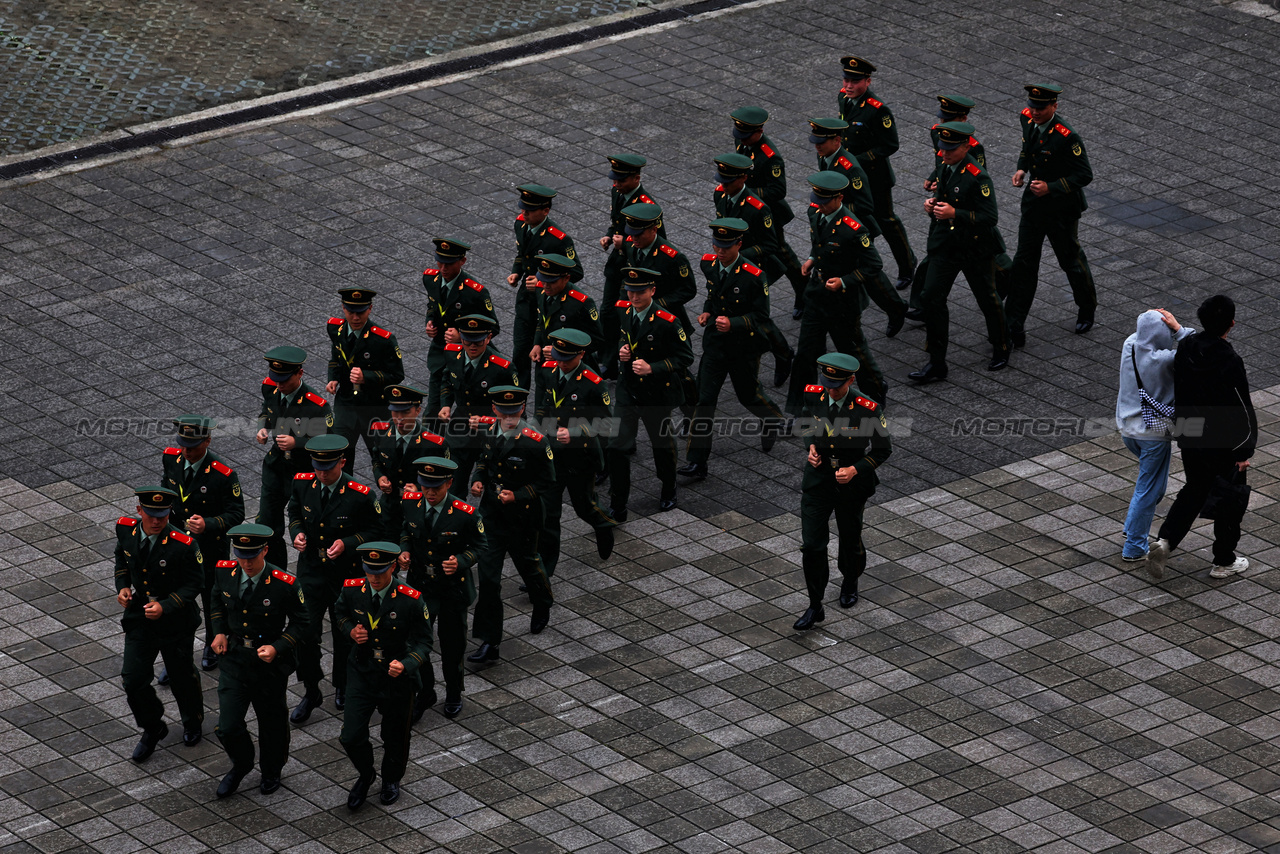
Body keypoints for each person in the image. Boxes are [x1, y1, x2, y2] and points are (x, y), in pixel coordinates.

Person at [1149, 295, 1257, 579]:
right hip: (1221, 440)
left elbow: (1193, 342)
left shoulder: (1186, 347)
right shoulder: (1230, 360)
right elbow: (1241, 407)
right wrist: (1244, 452)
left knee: (1194, 489)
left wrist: (1178, 329)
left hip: (1190, 432)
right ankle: (1223, 560)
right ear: (1231, 324)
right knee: (1229, 499)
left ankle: (1166, 541)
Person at [678, 218, 786, 481]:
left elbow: (761, 315)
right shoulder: (709, 264)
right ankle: (697, 462)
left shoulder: (753, 275)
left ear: (739, 244)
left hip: (743, 346)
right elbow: (713, 295)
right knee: (704, 402)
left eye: (726, 247)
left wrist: (735, 323)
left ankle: (772, 418)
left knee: (747, 394)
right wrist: (706, 312)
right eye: (717, 245)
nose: (720, 251)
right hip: (715, 344)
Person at [286, 435, 383, 724]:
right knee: (305, 632)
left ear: (342, 462)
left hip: (345, 572)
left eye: (328, 467)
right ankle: (312, 689)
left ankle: (342, 683)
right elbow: (294, 512)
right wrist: (297, 534)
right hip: (312, 568)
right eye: (318, 466)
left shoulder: (361, 494)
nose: (322, 473)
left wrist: (348, 543)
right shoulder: (303, 482)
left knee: (345, 634)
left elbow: (375, 531)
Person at [208, 523, 309, 798]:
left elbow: (302, 623)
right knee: (227, 725)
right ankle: (241, 764)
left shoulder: (284, 583)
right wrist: (218, 633)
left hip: (269, 665)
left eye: (252, 556)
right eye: (241, 556)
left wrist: (278, 647)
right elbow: (216, 601)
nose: (247, 563)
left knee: (272, 722)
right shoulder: (224, 572)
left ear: (265, 550)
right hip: (235, 659)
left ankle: (271, 770)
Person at [793, 355, 891, 630]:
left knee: (850, 536)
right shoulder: (815, 395)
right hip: (818, 482)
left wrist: (856, 469)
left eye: (836, 385)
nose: (829, 389)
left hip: (850, 484)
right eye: (826, 383)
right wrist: (810, 447)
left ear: (851, 380)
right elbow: (807, 422)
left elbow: (883, 450)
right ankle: (815, 605)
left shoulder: (867, 408)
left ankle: (850, 579)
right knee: (812, 545)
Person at [908, 121, 1010, 382]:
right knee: (931, 297)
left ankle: (1002, 346)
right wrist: (933, 205)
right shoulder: (945, 168)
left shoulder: (979, 177)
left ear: (966, 147)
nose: (943, 153)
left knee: (987, 297)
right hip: (947, 247)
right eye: (942, 149)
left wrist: (956, 213)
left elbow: (990, 217)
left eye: (950, 149)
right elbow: (945, 197)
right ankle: (936, 362)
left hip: (975, 248)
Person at [335, 543, 431, 809]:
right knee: (350, 735)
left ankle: (391, 779)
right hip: (362, 671)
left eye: (380, 572)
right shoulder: (353, 589)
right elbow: (340, 614)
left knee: (396, 735)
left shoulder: (410, 599)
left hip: (396, 676)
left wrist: (407, 663)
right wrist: (351, 632)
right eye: (369, 571)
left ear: (392, 567)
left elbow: (424, 642)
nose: (374, 578)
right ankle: (366, 775)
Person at [785, 171, 890, 415]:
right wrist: (812, 259)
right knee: (805, 354)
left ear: (839, 198)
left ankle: (875, 390)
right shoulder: (816, 213)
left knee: (851, 351)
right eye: (817, 199)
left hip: (843, 302)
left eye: (824, 200)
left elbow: (874, 265)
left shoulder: (853, 229)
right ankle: (798, 408)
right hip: (817, 294)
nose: (818, 205)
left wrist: (845, 281)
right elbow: (820, 244)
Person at [114, 487, 205, 761]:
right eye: (152, 515)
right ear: (139, 510)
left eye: (163, 516)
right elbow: (122, 559)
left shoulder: (184, 543)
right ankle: (153, 727)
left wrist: (165, 605)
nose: (157, 521)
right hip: (140, 615)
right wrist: (123, 586)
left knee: (181, 675)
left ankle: (192, 721)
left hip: (175, 620)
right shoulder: (126, 530)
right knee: (132, 679)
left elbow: (195, 583)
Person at [468, 386, 557, 662]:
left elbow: (547, 481)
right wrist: (477, 479)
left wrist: (517, 496)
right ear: (495, 410)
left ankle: (542, 602)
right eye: (503, 413)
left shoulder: (535, 441)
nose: (509, 418)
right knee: (489, 579)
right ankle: (489, 641)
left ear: (522, 409)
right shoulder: (487, 431)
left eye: (515, 412)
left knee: (528, 564)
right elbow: (483, 461)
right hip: (492, 515)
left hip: (523, 517)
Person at [1004, 83, 1096, 346]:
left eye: (1041, 108)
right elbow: (1027, 147)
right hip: (1034, 205)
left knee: (1070, 260)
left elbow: (1084, 175)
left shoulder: (1067, 137)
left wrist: (1051, 187)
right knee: (1024, 263)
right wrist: (1022, 169)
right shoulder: (1027, 118)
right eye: (1032, 106)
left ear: (1055, 106)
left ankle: (1086, 306)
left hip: (1062, 209)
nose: (1035, 112)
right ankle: (1014, 325)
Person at [399, 457, 485, 721]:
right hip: (421, 586)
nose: (431, 493)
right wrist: (404, 551)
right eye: (426, 487)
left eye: (436, 487)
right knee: (416, 642)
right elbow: (406, 531)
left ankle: (453, 692)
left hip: (451, 590)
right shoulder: (411, 503)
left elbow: (480, 546)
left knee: (452, 645)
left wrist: (460, 561)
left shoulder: (465, 514)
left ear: (449, 483)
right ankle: (425, 692)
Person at [606, 268, 694, 519]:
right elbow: (625, 337)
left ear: (652, 291)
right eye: (630, 291)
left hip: (656, 394)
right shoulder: (624, 309)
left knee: (662, 446)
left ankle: (668, 488)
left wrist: (652, 368)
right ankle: (618, 501)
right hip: (627, 392)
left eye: (640, 291)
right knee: (616, 447)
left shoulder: (667, 321)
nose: (634, 297)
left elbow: (685, 356)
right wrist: (623, 351)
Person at [161, 414, 244, 676]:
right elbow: (167, 489)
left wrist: (208, 524)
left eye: (193, 446)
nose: (186, 451)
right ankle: (177, 655)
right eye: (183, 445)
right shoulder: (172, 458)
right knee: (177, 602)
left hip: (209, 548)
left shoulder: (223, 474)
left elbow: (236, 514)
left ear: (207, 441)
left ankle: (213, 642)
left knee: (211, 601)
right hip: (178, 547)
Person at [534, 328, 618, 572]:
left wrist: (575, 431)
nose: (561, 363)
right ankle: (544, 572)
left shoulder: (594, 384)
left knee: (584, 506)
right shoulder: (549, 371)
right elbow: (542, 406)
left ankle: (603, 525)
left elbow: (606, 424)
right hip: (552, 456)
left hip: (580, 456)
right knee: (549, 515)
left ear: (581, 354)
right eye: (558, 356)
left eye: (567, 359)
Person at [1115, 309, 1193, 562]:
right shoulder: (1165, 359)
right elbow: (1195, 344)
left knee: (1153, 487)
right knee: (1149, 490)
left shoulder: (1130, 345)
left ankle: (1132, 529)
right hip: (1154, 435)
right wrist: (1178, 328)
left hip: (1127, 430)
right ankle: (1135, 547)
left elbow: (1145, 334)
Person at [710, 152, 795, 386]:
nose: (723, 185)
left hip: (753, 271)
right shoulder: (720, 195)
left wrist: (739, 255)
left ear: (743, 179)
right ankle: (780, 352)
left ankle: (783, 353)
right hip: (729, 265)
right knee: (746, 315)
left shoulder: (758, 208)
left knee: (757, 316)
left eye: (728, 181)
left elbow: (771, 245)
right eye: (721, 180)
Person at [837, 55, 917, 289]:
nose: (849, 86)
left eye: (855, 81)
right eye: (846, 80)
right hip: (853, 177)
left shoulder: (878, 110)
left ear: (868, 81)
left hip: (875, 176)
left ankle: (907, 265)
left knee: (887, 221)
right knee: (857, 220)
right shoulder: (843, 98)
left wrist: (856, 160)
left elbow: (890, 145)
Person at [255, 346, 333, 568]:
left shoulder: (317, 406)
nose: (279, 384)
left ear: (300, 374)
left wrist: (297, 443)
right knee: (267, 523)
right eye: (276, 379)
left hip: (304, 471)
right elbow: (265, 412)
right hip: (276, 466)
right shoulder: (270, 388)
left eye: (285, 379)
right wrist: (262, 429)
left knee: (307, 526)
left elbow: (329, 441)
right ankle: (276, 570)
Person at [730, 106, 807, 316]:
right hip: (747, 212)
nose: (742, 140)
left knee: (781, 253)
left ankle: (804, 292)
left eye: (746, 136)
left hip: (769, 214)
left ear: (759, 132)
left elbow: (778, 190)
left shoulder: (770, 156)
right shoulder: (742, 141)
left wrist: (746, 192)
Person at [507, 184, 584, 388]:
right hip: (526, 300)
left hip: (550, 304)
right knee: (521, 351)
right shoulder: (521, 224)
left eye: (530, 211)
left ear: (545, 211)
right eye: (522, 209)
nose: (524, 214)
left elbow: (576, 272)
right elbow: (522, 254)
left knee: (544, 356)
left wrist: (541, 283)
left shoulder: (558, 238)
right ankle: (518, 403)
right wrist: (517, 271)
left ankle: (545, 402)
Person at [437, 314, 519, 494]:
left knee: (495, 488)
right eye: (467, 341)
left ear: (488, 338)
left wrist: (486, 420)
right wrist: (446, 404)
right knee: (453, 482)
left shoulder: (503, 368)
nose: (472, 346)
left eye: (478, 342)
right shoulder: (452, 353)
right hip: (460, 427)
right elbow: (447, 378)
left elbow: (516, 410)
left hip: (490, 432)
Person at [326, 287, 405, 473]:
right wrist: (333, 378)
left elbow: (397, 375)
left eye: (360, 312)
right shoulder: (334, 328)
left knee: (383, 458)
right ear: (343, 308)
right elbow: (336, 357)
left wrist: (366, 377)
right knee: (340, 456)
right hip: (346, 403)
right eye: (351, 311)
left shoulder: (383, 339)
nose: (355, 317)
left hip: (374, 407)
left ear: (370, 309)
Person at [599, 154, 661, 379]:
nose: (616, 185)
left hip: (636, 268)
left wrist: (624, 242)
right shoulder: (618, 192)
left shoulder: (648, 206)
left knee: (624, 313)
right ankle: (608, 360)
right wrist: (609, 236)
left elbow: (657, 240)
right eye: (615, 180)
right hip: (617, 263)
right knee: (606, 312)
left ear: (636, 179)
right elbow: (616, 222)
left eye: (621, 181)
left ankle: (626, 359)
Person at [423, 238, 499, 418]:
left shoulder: (475, 292)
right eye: (440, 262)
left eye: (449, 263)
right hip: (441, 353)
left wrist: (463, 337)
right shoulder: (430, 279)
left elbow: (494, 328)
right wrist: (429, 322)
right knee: (433, 411)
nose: (443, 268)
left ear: (462, 261)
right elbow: (433, 306)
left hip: (468, 356)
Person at [368, 383, 449, 539]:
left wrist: (420, 488)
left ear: (418, 411)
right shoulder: (381, 431)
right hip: (390, 506)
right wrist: (380, 477)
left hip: (421, 508)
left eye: (405, 412)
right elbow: (376, 459)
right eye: (395, 412)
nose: (399, 419)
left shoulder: (434, 444)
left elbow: (447, 477)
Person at [530, 253, 604, 376]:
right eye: (544, 280)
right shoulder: (541, 290)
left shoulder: (581, 303)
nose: (546, 285)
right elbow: (542, 320)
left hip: (574, 368)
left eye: (552, 281)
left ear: (566, 278)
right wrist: (537, 343)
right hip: (547, 363)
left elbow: (597, 340)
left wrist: (562, 351)